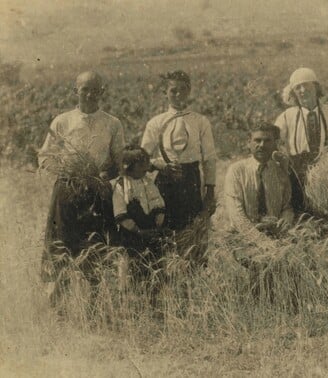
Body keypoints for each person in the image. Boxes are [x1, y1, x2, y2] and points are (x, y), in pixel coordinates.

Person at [38, 71, 125, 303]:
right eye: (84, 89)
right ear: (75, 91)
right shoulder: (62, 121)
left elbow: (119, 162)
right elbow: (45, 157)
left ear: (102, 92)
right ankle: (57, 307)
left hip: (96, 192)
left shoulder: (113, 123)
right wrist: (67, 173)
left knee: (95, 248)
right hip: (67, 191)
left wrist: (105, 175)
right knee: (61, 247)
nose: (89, 94)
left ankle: (93, 307)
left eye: (95, 89)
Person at [141, 70, 217, 231]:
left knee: (192, 227)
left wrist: (210, 190)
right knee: (165, 226)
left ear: (189, 91)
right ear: (165, 93)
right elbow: (142, 158)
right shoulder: (156, 122)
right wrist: (159, 165)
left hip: (192, 179)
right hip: (165, 179)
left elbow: (209, 157)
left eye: (183, 89)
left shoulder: (200, 121)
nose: (178, 94)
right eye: (173, 90)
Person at [274, 67, 328, 213]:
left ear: (316, 88)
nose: (303, 90)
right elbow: (274, 138)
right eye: (298, 87)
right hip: (298, 173)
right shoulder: (287, 116)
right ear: (293, 93)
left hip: (327, 172)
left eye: (307, 85)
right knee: (301, 212)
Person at [112, 146, 168, 304]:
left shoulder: (148, 183)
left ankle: (153, 300)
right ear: (128, 166)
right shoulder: (121, 187)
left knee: (153, 265)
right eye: (141, 164)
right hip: (131, 235)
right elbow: (121, 213)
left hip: (150, 231)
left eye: (146, 164)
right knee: (130, 267)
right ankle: (128, 302)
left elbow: (157, 202)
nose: (145, 167)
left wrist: (158, 222)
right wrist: (137, 230)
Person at [224, 122, 293, 244]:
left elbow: (287, 207)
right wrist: (262, 242)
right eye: (257, 140)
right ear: (248, 142)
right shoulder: (236, 171)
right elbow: (236, 215)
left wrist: (285, 220)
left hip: (277, 238)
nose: (262, 145)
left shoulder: (280, 171)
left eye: (267, 141)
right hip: (243, 239)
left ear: (275, 144)